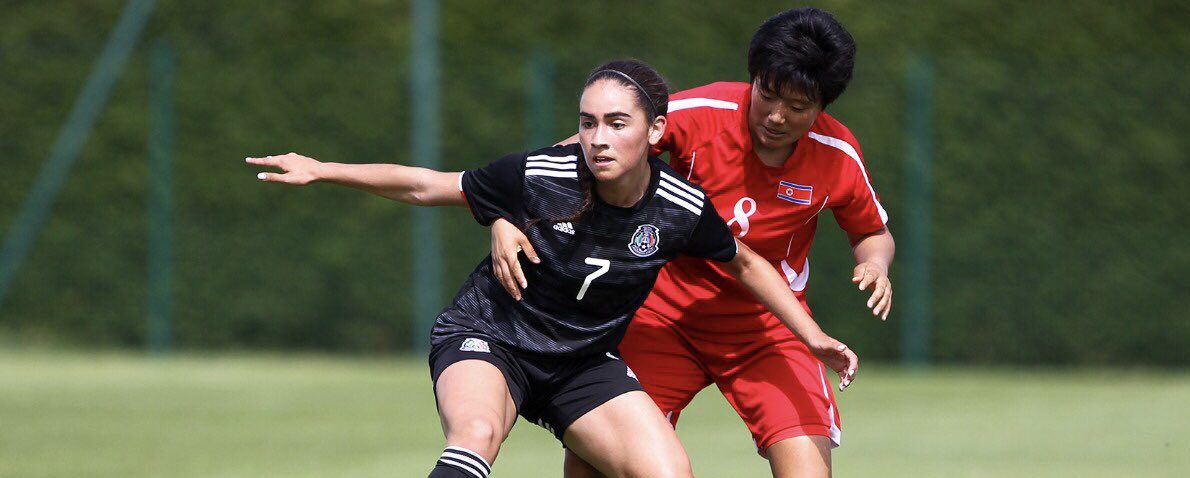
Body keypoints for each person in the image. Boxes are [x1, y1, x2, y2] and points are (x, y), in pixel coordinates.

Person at [247, 59, 858, 478]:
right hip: (493, 337)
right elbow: (422, 186)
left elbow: (747, 264)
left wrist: (814, 337)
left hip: (581, 363)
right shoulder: (541, 174)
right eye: (589, 122)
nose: (597, 138)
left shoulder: (680, 208)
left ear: (656, 131)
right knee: (477, 435)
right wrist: (325, 168)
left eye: (617, 123)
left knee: (668, 471)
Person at [488, 8, 895, 478]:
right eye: (768, 94)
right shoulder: (699, 113)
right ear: (754, 79)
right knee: (592, 463)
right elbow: (578, 154)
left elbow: (872, 231)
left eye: (799, 106)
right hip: (661, 313)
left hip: (768, 326)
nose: (777, 116)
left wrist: (876, 264)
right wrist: (507, 215)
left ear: (824, 106)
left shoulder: (838, 154)